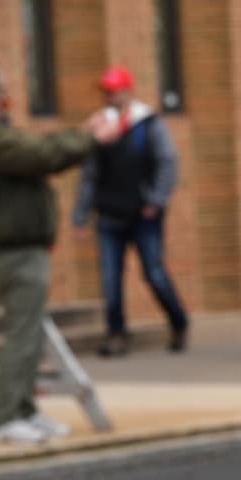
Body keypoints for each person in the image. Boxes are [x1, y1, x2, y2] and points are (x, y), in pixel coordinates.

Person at [0, 57, 119, 445]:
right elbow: (41, 155)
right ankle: (7, 416)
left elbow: (37, 150)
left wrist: (83, 135)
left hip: (23, 247)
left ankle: (24, 409)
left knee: (29, 335)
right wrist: (90, 138)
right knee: (22, 335)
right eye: (0, 88)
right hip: (13, 250)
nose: (5, 95)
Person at [72, 65, 188, 357]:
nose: (110, 96)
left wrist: (157, 201)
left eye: (115, 90)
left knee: (154, 273)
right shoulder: (100, 127)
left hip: (144, 215)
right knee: (110, 279)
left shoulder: (147, 123)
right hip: (109, 215)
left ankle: (178, 322)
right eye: (107, 91)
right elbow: (89, 175)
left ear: (128, 90)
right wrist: (81, 216)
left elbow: (168, 162)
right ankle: (116, 334)